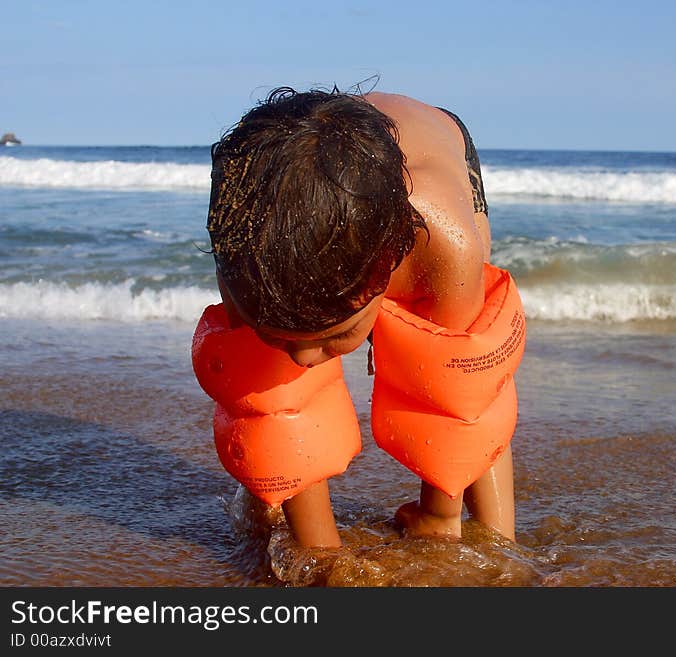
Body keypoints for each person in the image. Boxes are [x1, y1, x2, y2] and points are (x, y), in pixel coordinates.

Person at [201, 86, 522, 548]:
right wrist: (319, 553)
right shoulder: (245, 253)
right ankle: (269, 484)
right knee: (265, 387)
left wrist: (438, 514)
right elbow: (281, 407)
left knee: (465, 372)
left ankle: (497, 539)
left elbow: (457, 398)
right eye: (283, 336)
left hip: (434, 150)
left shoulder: (446, 248)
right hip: (309, 162)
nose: (306, 359)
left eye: (335, 335)